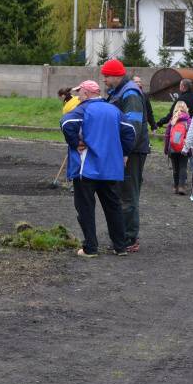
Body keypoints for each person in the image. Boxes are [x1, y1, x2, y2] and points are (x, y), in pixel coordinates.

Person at [60, 80, 136, 257]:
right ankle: (120, 246)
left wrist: (75, 143)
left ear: (86, 93)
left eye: (80, 93)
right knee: (113, 207)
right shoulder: (114, 110)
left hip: (87, 168)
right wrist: (124, 154)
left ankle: (90, 248)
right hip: (110, 169)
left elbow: (65, 123)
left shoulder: (83, 109)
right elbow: (130, 131)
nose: (78, 96)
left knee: (85, 208)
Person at [102, 58, 149, 253]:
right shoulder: (118, 91)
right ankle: (122, 236)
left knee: (128, 196)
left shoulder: (130, 94)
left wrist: (125, 152)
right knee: (121, 193)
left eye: (106, 76)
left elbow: (133, 126)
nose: (104, 79)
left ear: (116, 75)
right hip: (123, 150)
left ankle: (129, 238)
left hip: (132, 152)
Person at [164, 100, 191, 195]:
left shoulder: (173, 119)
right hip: (184, 147)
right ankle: (181, 187)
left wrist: (166, 148)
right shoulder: (188, 119)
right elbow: (190, 134)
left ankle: (175, 186)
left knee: (175, 168)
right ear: (186, 108)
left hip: (172, 147)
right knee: (183, 167)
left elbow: (167, 135)